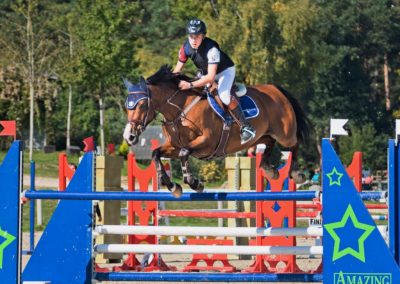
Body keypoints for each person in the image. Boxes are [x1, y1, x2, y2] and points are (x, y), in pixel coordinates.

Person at [173, 18, 256, 144]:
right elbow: (177, 71)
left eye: (197, 36)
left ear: (203, 36)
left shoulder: (212, 49)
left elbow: (211, 77)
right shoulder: (185, 48)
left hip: (224, 72)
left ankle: (246, 127)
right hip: (206, 72)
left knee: (224, 96)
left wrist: (189, 84)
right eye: (191, 36)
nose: (194, 40)